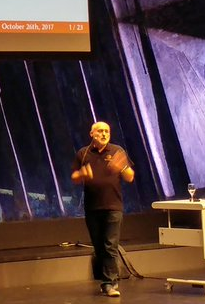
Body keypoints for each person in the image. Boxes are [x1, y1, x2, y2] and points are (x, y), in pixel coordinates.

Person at [71, 121, 134, 297]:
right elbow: (74, 177)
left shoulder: (117, 151)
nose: (104, 134)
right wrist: (81, 174)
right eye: (100, 131)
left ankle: (110, 283)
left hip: (113, 206)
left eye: (107, 131)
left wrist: (122, 167)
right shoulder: (83, 153)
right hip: (92, 208)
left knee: (110, 245)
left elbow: (130, 177)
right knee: (99, 247)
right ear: (92, 134)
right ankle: (104, 280)